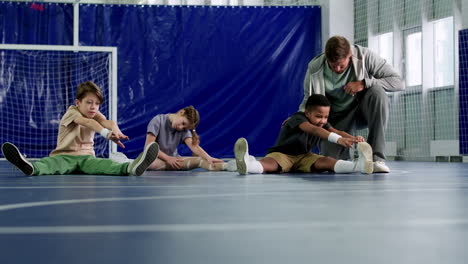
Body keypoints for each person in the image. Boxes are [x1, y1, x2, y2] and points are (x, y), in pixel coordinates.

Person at [1, 81, 159, 176]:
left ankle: (131, 167)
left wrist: (116, 130)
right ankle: (30, 167)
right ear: (78, 103)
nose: (93, 107)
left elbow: (107, 122)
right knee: (50, 164)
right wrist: (105, 133)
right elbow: (88, 123)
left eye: (97, 104)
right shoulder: (72, 112)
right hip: (64, 156)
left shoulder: (94, 113)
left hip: (86, 158)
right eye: (89, 102)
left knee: (106, 165)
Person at [300, 36, 404, 173]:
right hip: (335, 118)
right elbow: (309, 100)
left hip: (361, 111)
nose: (337, 69)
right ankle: (356, 158)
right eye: (333, 65)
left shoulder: (365, 56)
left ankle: (376, 158)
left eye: (341, 65)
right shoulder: (314, 68)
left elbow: (398, 82)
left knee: (377, 92)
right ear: (326, 57)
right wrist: (298, 119)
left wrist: (364, 83)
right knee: (330, 161)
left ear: (350, 55)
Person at [234, 94, 374, 175]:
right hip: (283, 155)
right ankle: (248, 165)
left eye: (326, 117)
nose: (323, 121)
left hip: (305, 156)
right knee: (270, 165)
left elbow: (336, 131)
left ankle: (359, 166)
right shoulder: (298, 118)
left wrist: (352, 138)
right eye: (319, 116)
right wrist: (338, 140)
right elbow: (314, 130)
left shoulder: (322, 123)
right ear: (307, 113)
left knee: (327, 162)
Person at [142, 105, 226, 171]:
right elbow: (149, 147)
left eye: (185, 128)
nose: (181, 128)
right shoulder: (158, 120)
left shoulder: (183, 130)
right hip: (155, 159)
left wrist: (209, 157)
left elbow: (194, 147)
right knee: (150, 164)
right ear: (181, 112)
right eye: (183, 123)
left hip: (175, 160)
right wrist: (168, 159)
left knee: (201, 160)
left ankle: (229, 167)